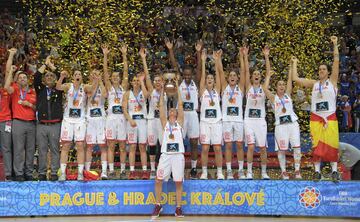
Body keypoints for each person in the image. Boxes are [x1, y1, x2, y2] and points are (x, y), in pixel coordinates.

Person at [292, 36, 340, 181]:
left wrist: (335, 44)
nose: (321, 71)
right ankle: (317, 172)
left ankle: (334, 172)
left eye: (324, 69)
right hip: (315, 119)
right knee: (316, 147)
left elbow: (336, 61)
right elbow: (296, 79)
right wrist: (294, 63)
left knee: (332, 146)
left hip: (330, 117)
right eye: (319, 69)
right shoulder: (314, 84)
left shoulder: (332, 82)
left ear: (328, 71)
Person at [166, 39, 202, 179]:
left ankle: (193, 168)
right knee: (177, 141)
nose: (187, 76)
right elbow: (175, 66)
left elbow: (199, 68)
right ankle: (176, 167)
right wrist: (170, 50)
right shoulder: (179, 82)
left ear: (192, 75)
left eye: (189, 74)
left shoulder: (196, 82)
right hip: (180, 115)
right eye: (185, 74)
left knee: (193, 143)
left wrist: (198, 53)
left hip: (192, 115)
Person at [263, 55, 302, 180]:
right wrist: (268, 76)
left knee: (297, 148)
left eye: (283, 84)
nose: (281, 86)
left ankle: (297, 171)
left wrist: (291, 67)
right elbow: (264, 89)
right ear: (276, 87)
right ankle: (284, 172)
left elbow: (290, 80)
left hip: (292, 124)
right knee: (282, 150)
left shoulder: (288, 95)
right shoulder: (273, 98)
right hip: (280, 126)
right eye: (279, 84)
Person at [151, 78, 185, 219]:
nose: (171, 110)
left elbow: (181, 104)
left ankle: (178, 208)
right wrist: (164, 89)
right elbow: (161, 106)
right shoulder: (165, 123)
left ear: (176, 113)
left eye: (173, 109)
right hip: (165, 155)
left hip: (178, 156)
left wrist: (177, 87)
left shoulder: (180, 123)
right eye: (170, 109)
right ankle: (158, 205)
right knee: (158, 180)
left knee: (178, 182)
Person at [4, 48, 37, 181]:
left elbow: (37, 108)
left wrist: (30, 105)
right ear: (17, 81)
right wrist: (11, 71)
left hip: (31, 123)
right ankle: (18, 173)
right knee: (18, 149)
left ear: (28, 80)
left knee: (30, 150)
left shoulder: (33, 92)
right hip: (18, 122)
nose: (23, 79)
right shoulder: (15, 90)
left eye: (25, 77)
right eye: (20, 77)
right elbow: (6, 87)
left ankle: (28, 173)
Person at [56, 70, 92, 181]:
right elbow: (58, 87)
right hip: (68, 120)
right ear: (73, 77)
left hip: (80, 120)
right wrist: (61, 77)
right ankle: (62, 173)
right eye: (75, 74)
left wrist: (95, 80)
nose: (77, 76)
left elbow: (93, 89)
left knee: (80, 145)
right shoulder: (68, 86)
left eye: (79, 74)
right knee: (66, 146)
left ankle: (80, 173)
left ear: (82, 77)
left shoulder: (85, 87)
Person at [218, 47, 246, 179]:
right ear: (228, 78)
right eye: (231, 76)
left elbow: (245, 72)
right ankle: (229, 170)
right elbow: (220, 72)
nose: (232, 77)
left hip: (239, 121)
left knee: (239, 145)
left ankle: (240, 170)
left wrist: (242, 56)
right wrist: (218, 60)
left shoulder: (240, 88)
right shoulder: (224, 87)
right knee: (228, 145)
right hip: (227, 121)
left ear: (237, 78)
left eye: (235, 75)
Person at [243, 46, 270, 180]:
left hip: (260, 121)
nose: (257, 76)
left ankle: (264, 172)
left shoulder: (264, 88)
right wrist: (245, 55)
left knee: (263, 148)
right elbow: (246, 71)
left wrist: (266, 56)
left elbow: (269, 72)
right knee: (251, 146)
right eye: (255, 74)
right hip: (248, 120)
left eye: (259, 74)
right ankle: (249, 172)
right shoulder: (248, 87)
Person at [34, 56, 63, 181]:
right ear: (44, 80)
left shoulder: (59, 89)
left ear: (55, 79)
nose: (49, 77)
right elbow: (36, 77)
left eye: (52, 76)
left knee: (55, 149)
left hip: (55, 124)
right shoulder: (40, 90)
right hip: (41, 125)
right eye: (47, 76)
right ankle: (42, 172)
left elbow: (62, 76)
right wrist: (45, 64)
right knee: (42, 150)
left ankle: (55, 172)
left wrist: (51, 66)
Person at [123, 50, 150, 180]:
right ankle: (132, 171)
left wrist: (142, 81)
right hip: (132, 122)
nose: (135, 82)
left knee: (142, 146)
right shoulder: (127, 94)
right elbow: (124, 109)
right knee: (133, 146)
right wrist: (129, 120)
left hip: (142, 121)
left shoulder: (142, 90)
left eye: (137, 81)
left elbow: (146, 96)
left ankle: (145, 170)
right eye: (134, 80)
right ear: (131, 82)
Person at [103, 44, 129, 179]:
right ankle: (111, 170)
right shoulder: (109, 87)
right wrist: (105, 55)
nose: (114, 78)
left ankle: (123, 170)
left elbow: (126, 72)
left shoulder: (123, 87)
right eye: (113, 76)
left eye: (117, 76)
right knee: (111, 145)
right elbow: (105, 73)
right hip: (111, 118)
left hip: (122, 118)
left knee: (123, 146)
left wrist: (124, 55)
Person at [142, 47, 167, 179]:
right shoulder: (151, 90)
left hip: (163, 121)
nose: (157, 82)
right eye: (156, 80)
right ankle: (152, 169)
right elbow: (146, 75)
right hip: (152, 120)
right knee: (152, 145)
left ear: (163, 82)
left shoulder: (168, 91)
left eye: (159, 80)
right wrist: (143, 59)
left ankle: (163, 167)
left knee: (163, 145)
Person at [199, 49, 224, 180]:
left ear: (214, 81)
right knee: (204, 148)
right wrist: (203, 62)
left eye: (211, 78)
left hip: (216, 123)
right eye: (208, 78)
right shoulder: (202, 91)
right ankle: (204, 172)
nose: (209, 79)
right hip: (204, 123)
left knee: (218, 149)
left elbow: (219, 76)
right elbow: (202, 78)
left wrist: (215, 61)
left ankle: (219, 172)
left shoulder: (217, 90)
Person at [84, 69, 108, 179]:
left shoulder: (102, 86)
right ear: (90, 76)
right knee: (89, 146)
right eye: (93, 74)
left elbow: (105, 94)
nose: (95, 76)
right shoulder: (86, 86)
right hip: (90, 119)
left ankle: (104, 172)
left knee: (103, 146)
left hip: (101, 119)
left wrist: (101, 82)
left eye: (98, 74)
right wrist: (95, 81)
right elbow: (90, 92)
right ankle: (87, 171)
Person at [0, 49, 14, 181]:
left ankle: (8, 174)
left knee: (6, 148)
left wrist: (11, 55)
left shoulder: (5, 91)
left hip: (5, 122)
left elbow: (8, 71)